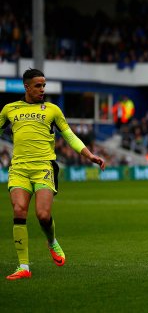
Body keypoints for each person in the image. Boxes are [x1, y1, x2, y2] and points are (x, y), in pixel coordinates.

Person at [0, 68, 106, 280]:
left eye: (44, 85)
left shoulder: (52, 110)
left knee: (43, 215)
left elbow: (69, 136)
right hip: (19, 168)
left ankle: (52, 241)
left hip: (44, 168)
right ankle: (23, 267)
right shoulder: (9, 110)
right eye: (38, 86)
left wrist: (89, 155)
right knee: (19, 210)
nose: (42, 89)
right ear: (26, 86)